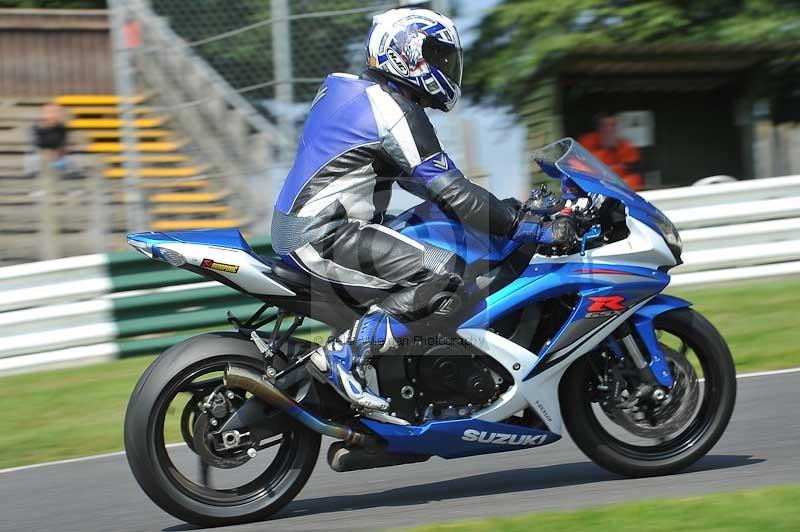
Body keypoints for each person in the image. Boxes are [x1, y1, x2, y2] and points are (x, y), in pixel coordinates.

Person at [271, 8, 570, 412]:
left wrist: (508, 210)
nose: (445, 66)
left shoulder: (358, 95)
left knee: (438, 231)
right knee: (447, 274)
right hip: (323, 235)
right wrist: (524, 226)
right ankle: (344, 354)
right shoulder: (390, 109)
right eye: (436, 54)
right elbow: (452, 190)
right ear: (406, 52)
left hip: (312, 229)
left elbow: (431, 186)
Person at [578, 114, 643, 190]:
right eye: (605, 126)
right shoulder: (586, 144)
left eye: (613, 126)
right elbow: (579, 173)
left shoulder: (627, 148)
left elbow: (635, 178)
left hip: (618, 191)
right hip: (593, 189)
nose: (609, 130)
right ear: (599, 129)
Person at [26, 103, 71, 176]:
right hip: (39, 161)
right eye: (50, 112)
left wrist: (58, 155)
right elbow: (36, 147)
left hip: (56, 161)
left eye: (57, 112)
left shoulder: (62, 129)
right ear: (43, 114)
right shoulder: (35, 129)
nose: (54, 115)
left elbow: (62, 147)